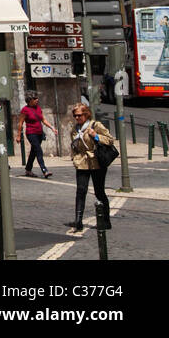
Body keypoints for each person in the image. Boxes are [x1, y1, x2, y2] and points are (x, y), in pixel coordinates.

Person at [67, 102, 115, 233]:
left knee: (99, 192)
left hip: (97, 162)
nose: (77, 118)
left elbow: (110, 140)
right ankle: (78, 221)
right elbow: (74, 146)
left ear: (86, 114)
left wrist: (96, 136)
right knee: (80, 191)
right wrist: (74, 158)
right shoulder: (74, 129)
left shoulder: (95, 125)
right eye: (75, 116)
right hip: (82, 162)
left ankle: (106, 221)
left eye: (79, 115)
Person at [17, 90, 56, 178]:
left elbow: (43, 120)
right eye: (35, 98)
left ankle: (28, 169)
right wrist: (19, 135)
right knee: (38, 150)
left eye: (37, 98)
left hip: (39, 133)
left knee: (33, 152)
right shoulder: (25, 110)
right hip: (31, 133)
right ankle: (44, 170)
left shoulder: (38, 108)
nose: (37, 100)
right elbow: (20, 123)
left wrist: (52, 127)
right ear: (30, 100)